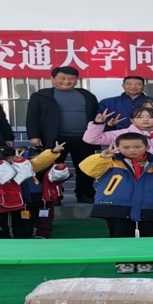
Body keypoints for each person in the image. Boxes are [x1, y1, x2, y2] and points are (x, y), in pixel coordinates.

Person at [78, 133, 153, 274]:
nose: (132, 150)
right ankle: (123, 262)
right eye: (126, 147)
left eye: (137, 147)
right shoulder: (109, 161)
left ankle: (146, 262)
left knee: (150, 235)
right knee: (120, 235)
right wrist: (101, 157)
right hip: (116, 205)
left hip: (150, 205)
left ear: (147, 147)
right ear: (117, 147)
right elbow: (87, 169)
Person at [25, 66, 100, 203]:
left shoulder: (86, 94)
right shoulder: (41, 95)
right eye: (62, 78)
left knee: (86, 166)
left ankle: (85, 194)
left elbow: (96, 114)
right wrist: (33, 135)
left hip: (84, 138)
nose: (67, 81)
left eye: (71, 78)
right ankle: (54, 195)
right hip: (56, 138)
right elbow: (32, 117)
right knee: (53, 167)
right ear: (53, 79)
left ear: (76, 80)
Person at [84, 107, 153, 158]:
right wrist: (98, 123)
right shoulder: (122, 134)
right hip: (127, 171)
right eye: (140, 117)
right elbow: (91, 139)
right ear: (132, 120)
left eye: (150, 117)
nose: (145, 120)